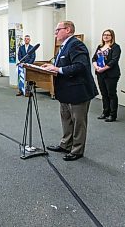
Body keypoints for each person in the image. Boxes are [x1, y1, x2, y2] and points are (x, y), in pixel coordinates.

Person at [42, 21, 98, 161]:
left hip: (78, 91)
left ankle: (77, 150)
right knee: (66, 119)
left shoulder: (76, 44)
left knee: (78, 122)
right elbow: (63, 63)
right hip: (65, 90)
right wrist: (52, 66)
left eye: (57, 30)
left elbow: (80, 66)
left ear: (67, 30)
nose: (55, 33)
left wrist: (57, 69)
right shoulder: (64, 46)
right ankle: (66, 144)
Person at [92, 29, 121, 122]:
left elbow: (114, 60)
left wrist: (103, 68)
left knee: (111, 94)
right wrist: (96, 67)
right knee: (104, 94)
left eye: (108, 35)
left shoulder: (115, 47)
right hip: (100, 73)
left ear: (112, 36)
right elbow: (94, 58)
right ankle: (105, 112)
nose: (106, 36)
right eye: (104, 35)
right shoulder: (100, 46)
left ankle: (113, 115)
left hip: (111, 74)